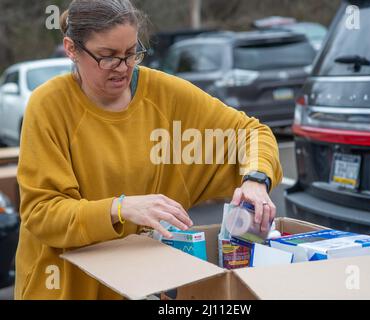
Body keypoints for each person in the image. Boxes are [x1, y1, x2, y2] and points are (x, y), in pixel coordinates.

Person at [15, 0, 283, 300]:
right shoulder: (48, 105)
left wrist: (256, 180)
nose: (123, 67)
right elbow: (42, 214)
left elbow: (251, 132)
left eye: (131, 53)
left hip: (138, 285)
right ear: (71, 49)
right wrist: (120, 208)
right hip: (64, 287)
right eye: (108, 57)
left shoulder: (164, 95)